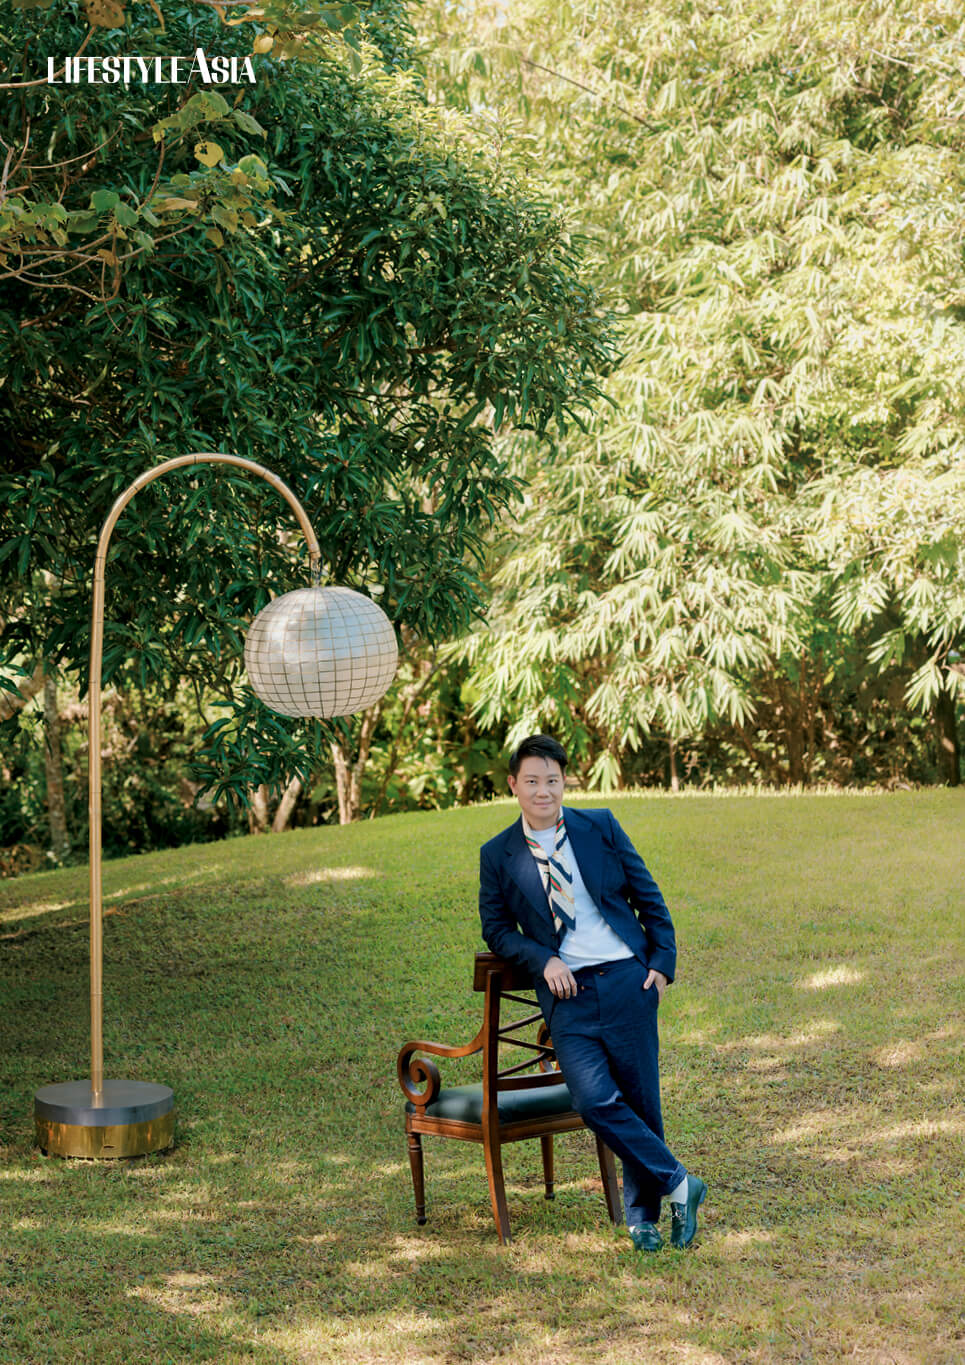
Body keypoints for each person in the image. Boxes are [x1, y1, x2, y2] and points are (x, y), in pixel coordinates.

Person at [478, 733, 706, 1251]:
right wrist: (544, 958)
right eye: (532, 781)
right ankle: (680, 1183)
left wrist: (662, 964)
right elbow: (496, 929)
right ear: (514, 785)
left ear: (564, 782)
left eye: (552, 781)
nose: (543, 791)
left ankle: (642, 1219)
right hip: (568, 995)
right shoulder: (498, 855)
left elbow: (647, 895)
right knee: (593, 1100)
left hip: (628, 980)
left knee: (643, 1101)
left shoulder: (599, 826)